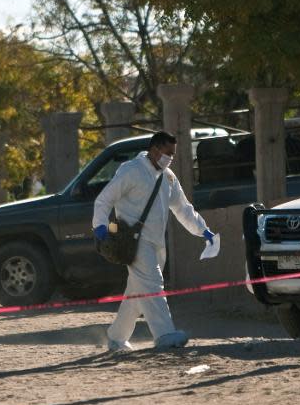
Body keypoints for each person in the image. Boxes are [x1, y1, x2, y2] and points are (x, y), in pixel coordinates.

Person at [92, 131, 215, 351]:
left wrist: (204, 231)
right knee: (153, 285)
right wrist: (100, 225)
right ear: (155, 150)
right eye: (168, 153)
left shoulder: (168, 177)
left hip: (157, 243)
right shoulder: (131, 171)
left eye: (173, 154)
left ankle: (116, 337)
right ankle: (165, 334)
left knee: (137, 293)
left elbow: (184, 209)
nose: (170, 158)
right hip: (133, 243)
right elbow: (104, 199)